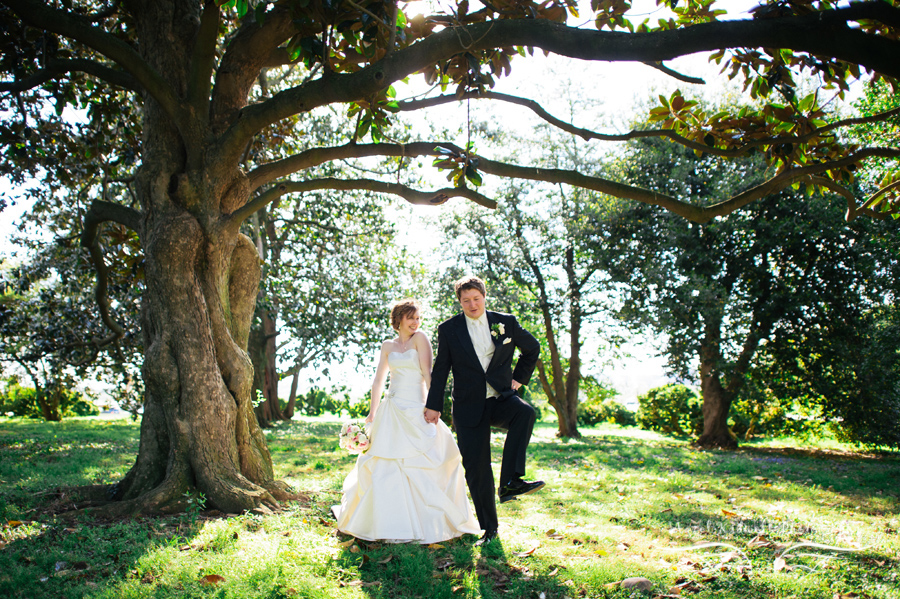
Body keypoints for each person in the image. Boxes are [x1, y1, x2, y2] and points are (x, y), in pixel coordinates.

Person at [333, 299, 480, 543]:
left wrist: (434, 406)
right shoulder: (388, 345)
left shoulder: (420, 339)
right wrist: (372, 412)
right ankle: (384, 522)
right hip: (392, 409)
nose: (415, 322)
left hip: (417, 409)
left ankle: (429, 523)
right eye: (411, 318)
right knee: (382, 462)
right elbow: (379, 380)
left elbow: (428, 374)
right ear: (399, 319)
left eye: (418, 318)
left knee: (427, 460)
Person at [425, 276, 544, 546]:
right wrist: (434, 405)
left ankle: (511, 481)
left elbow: (532, 348)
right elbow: (441, 369)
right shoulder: (449, 329)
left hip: (500, 398)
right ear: (460, 302)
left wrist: (519, 379)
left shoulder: (506, 322)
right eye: (466, 300)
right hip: (468, 406)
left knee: (525, 413)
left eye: (476, 298)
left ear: (484, 296)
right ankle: (489, 530)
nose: (472, 304)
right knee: (477, 469)